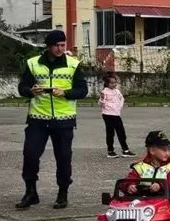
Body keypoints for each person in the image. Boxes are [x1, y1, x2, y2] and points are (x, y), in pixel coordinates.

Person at [16, 29, 88, 210]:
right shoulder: (33, 64)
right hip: (37, 119)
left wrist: (66, 93)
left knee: (63, 158)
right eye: (56, 45)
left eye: (63, 45)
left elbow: (82, 90)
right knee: (30, 155)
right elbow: (22, 87)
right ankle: (30, 192)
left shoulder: (73, 64)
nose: (60, 48)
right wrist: (30, 91)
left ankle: (62, 193)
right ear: (49, 46)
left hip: (64, 120)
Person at [99, 73, 133, 157]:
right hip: (107, 114)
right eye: (112, 83)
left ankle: (125, 150)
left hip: (116, 114)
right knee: (110, 133)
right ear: (107, 83)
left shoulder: (117, 91)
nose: (114, 84)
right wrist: (102, 99)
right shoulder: (104, 92)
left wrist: (119, 107)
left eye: (115, 82)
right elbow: (100, 104)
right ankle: (110, 151)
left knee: (121, 132)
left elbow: (122, 98)